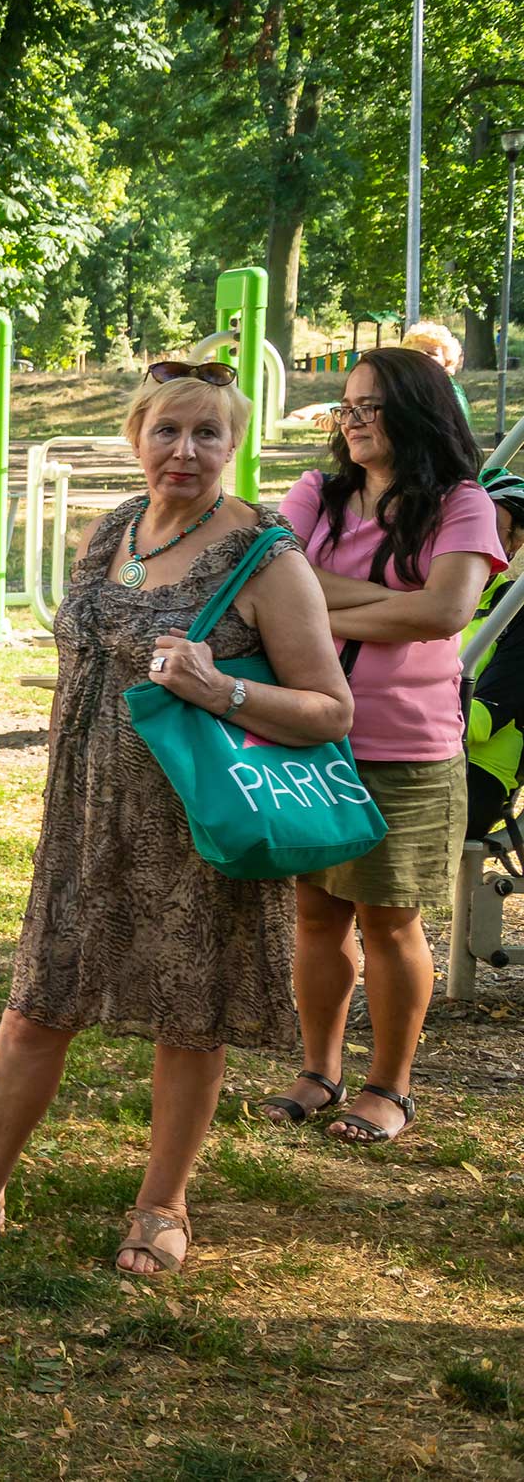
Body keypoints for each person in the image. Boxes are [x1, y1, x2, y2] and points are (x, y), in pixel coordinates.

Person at [0, 362, 352, 1273]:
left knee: (191, 1016)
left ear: (234, 445)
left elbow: (331, 709)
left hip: (197, 825)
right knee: (37, 1003)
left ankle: (162, 1204)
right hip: (86, 812)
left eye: (207, 434)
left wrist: (222, 686)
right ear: (136, 435)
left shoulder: (265, 552)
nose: (185, 451)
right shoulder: (109, 531)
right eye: (168, 431)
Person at [260, 347, 502, 1145]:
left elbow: (445, 612)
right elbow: (272, 584)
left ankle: (390, 1086)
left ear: (416, 409)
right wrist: (389, 600)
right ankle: (319, 1070)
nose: (352, 420)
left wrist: (321, 608)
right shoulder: (315, 494)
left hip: (406, 745)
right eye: (347, 406)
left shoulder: (462, 502)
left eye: (370, 405)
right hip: (306, 731)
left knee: (390, 919)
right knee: (315, 912)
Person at [459, 470, 524, 841]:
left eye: (485, 524)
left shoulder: (515, 609)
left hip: (478, 767)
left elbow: (482, 721)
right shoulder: (415, 590)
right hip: (402, 745)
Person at [403, 322, 472, 431]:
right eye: (416, 352)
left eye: (430, 353)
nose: (422, 356)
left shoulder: (451, 390)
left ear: (447, 359)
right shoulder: (402, 386)